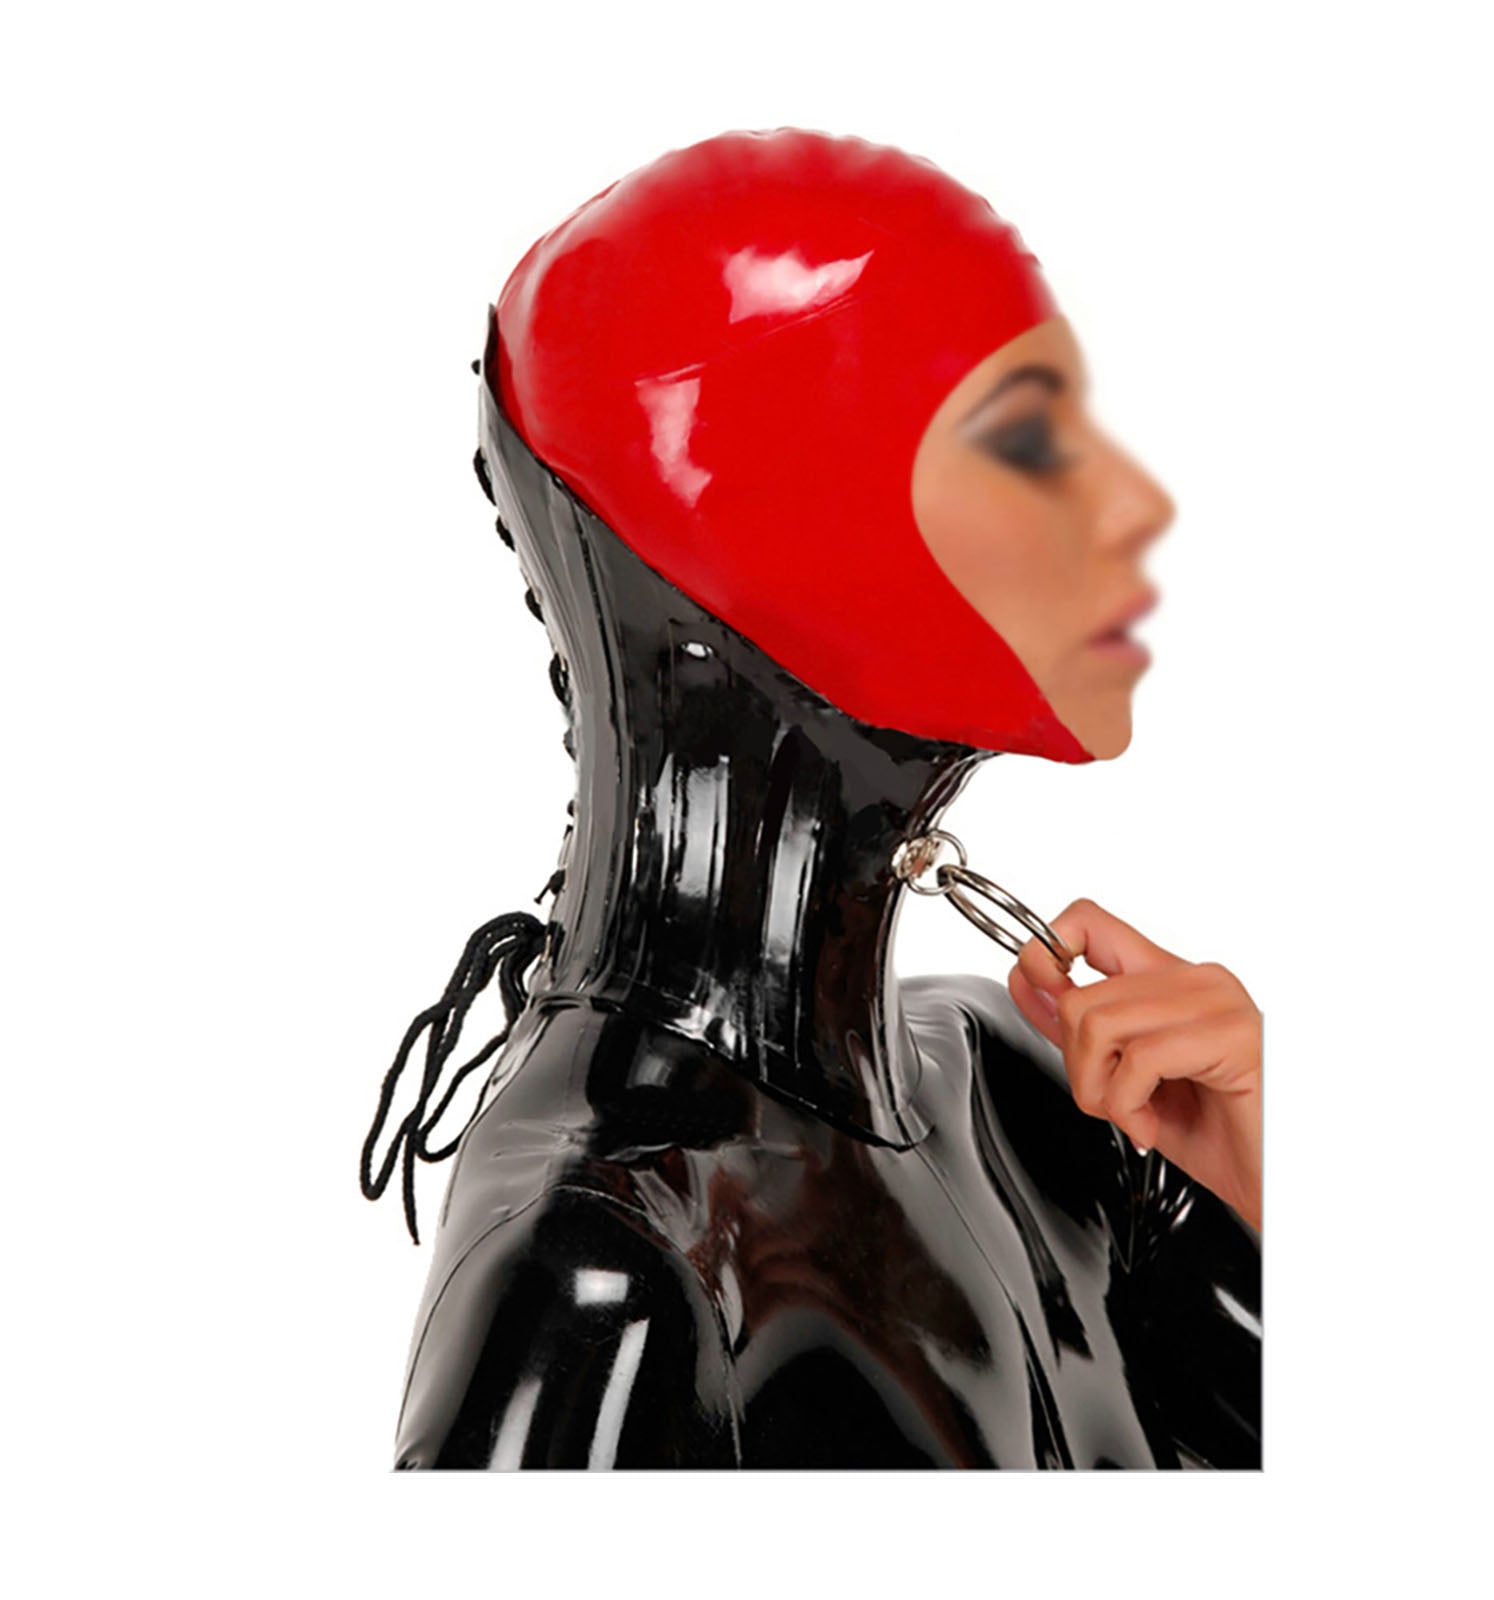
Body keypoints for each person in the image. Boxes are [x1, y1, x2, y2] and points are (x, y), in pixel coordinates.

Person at [363, 126, 1262, 1469]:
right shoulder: (607, 1276)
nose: (1136, 504)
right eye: (1028, 441)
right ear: (769, 520)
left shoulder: (1049, 1099)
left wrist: (1270, 1178)